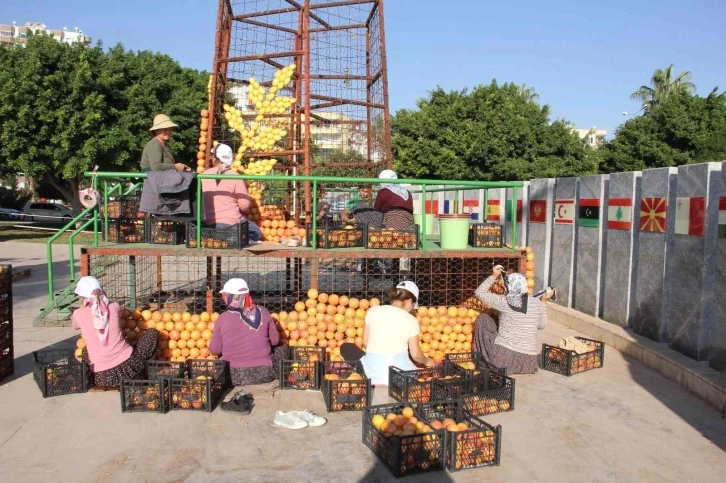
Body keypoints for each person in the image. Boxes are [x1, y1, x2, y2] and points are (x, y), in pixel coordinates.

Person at [339, 281, 434, 386]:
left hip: (370, 376)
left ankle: (367, 368)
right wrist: (428, 362)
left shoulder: (373, 311)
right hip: (399, 380)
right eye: (412, 306)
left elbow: (365, 343)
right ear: (409, 301)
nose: (412, 309)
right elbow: (416, 355)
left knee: (346, 347)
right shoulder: (411, 320)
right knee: (407, 362)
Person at [72, 276, 159, 388]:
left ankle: (99, 378)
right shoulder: (114, 306)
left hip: (102, 377)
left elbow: (75, 325)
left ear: (82, 296)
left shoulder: (78, 314)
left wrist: (82, 308)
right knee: (152, 333)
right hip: (129, 369)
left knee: (85, 350)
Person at [473, 266, 554, 374]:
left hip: (502, 361)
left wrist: (494, 275)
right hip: (528, 363)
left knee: (483, 319)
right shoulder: (535, 302)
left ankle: (482, 360)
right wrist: (544, 301)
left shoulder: (504, 301)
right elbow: (541, 325)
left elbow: (479, 292)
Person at [209, 278, 288, 387]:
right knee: (283, 347)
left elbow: (214, 350)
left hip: (232, 376)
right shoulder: (263, 311)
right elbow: (275, 341)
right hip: (264, 372)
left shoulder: (222, 319)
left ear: (227, 297)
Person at [201, 144, 263, 242]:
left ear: (215, 158)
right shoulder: (235, 176)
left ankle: (225, 238)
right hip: (231, 224)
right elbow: (244, 205)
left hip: (208, 224)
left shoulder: (203, 175)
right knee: (256, 231)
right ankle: (236, 239)